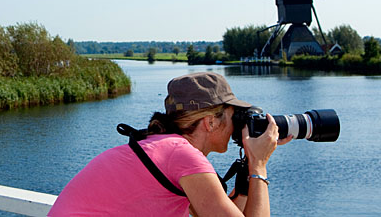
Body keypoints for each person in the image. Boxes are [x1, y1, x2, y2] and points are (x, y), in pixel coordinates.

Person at [49, 72, 291, 217]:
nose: (237, 126)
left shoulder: (162, 147)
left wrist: (249, 171)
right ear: (210, 122)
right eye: (233, 116)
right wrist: (258, 165)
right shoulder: (182, 156)